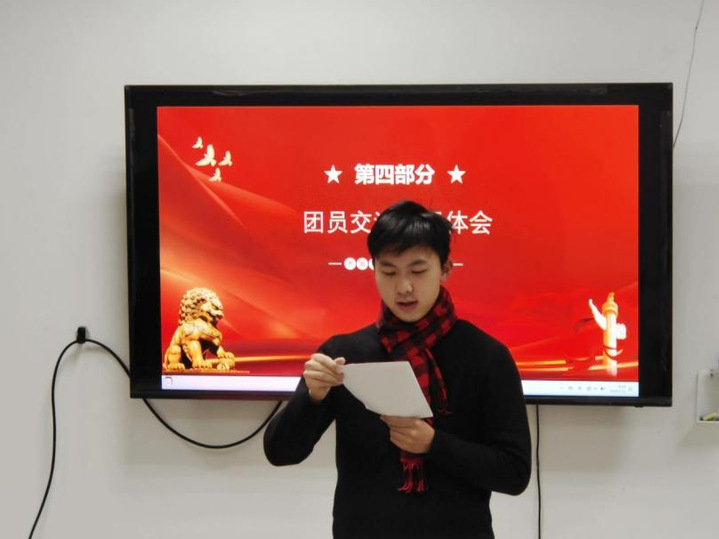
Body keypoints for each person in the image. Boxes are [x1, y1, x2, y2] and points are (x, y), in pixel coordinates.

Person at [264, 200, 531, 539]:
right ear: (374, 268)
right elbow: (280, 453)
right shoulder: (345, 354)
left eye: (417, 271)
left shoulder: (486, 356)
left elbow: (514, 472)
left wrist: (434, 444)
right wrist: (312, 398)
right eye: (389, 272)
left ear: (445, 268)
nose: (403, 287)